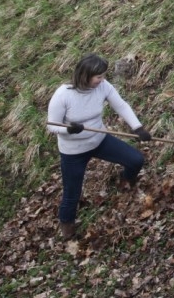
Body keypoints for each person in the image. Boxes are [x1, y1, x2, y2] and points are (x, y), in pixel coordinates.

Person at [46, 53, 152, 240]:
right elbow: (51, 125)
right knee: (72, 193)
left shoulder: (103, 86)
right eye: (99, 76)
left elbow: (121, 105)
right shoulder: (63, 95)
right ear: (85, 75)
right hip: (73, 153)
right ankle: (66, 224)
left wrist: (138, 127)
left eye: (103, 76)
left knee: (136, 160)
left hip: (99, 140)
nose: (102, 80)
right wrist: (69, 130)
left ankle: (124, 181)